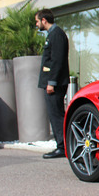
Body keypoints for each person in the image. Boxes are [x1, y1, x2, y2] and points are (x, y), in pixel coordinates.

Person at [35, 9, 69, 159]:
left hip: (55, 84)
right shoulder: (52, 34)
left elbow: (57, 60)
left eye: (37, 21)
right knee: (54, 114)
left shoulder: (57, 35)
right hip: (52, 82)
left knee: (56, 115)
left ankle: (62, 147)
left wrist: (51, 83)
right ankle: (61, 145)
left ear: (44, 20)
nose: (36, 24)